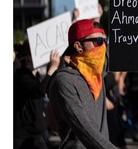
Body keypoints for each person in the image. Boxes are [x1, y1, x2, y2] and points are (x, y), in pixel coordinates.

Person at [47, 19, 118, 149]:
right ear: (78, 46)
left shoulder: (97, 75)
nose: (103, 47)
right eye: (98, 42)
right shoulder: (64, 81)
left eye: (105, 41)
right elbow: (83, 129)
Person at [14, 41, 60, 149]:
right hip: (23, 137)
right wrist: (52, 68)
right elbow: (39, 91)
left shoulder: (33, 74)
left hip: (35, 136)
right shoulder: (22, 76)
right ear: (27, 58)